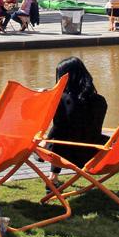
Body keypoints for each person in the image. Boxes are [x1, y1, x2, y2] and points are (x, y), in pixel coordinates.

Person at [45, 57, 108, 187]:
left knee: (57, 138)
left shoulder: (60, 100)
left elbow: (58, 128)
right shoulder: (100, 100)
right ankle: (53, 177)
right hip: (93, 153)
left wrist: (44, 142)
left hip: (69, 154)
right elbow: (94, 128)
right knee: (64, 136)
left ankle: (52, 177)